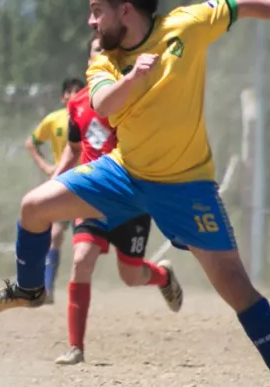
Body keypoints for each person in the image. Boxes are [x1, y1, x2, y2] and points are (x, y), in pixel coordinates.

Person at [0, 0, 270, 387]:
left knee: (236, 286)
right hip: (125, 172)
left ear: (125, 10)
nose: (91, 22)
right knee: (33, 207)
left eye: (97, 12)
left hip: (186, 185)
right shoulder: (104, 57)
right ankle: (29, 288)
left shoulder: (187, 25)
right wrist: (137, 77)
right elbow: (104, 105)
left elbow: (243, 3)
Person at [50, 34, 183, 366]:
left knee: (130, 276)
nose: (104, 56)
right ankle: (76, 347)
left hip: (129, 197)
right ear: (90, 61)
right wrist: (53, 182)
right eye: (98, 51)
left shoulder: (134, 97)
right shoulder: (77, 103)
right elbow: (74, 148)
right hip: (92, 195)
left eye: (109, 52)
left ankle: (163, 277)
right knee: (81, 259)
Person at [24, 77, 85, 303]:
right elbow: (31, 143)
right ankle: (47, 288)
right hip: (64, 185)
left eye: (78, 91)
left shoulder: (90, 116)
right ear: (63, 97)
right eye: (69, 91)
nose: (73, 95)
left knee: (87, 243)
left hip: (89, 185)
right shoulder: (54, 120)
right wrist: (47, 166)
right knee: (56, 235)